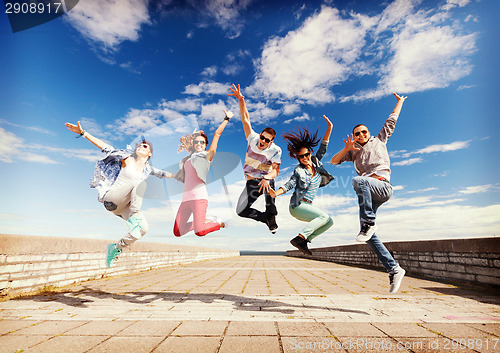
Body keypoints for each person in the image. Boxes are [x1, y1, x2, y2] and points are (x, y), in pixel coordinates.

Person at [65, 121, 175, 268]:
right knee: (141, 184)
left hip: (123, 207)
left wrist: (177, 176)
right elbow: (106, 147)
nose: (141, 146)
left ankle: (115, 248)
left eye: (145, 146)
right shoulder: (127, 159)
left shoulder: (148, 169)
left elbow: (162, 173)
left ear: (149, 153)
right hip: (111, 199)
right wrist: (83, 133)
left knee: (142, 230)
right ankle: (135, 217)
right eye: (140, 145)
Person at [330, 92, 408, 294]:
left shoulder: (379, 140)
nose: (361, 135)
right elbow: (333, 161)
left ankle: (368, 222)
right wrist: (346, 148)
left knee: (358, 180)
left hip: (382, 186)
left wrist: (399, 103)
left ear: (368, 133)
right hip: (369, 193)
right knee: (367, 237)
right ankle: (394, 269)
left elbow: (391, 121)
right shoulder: (353, 151)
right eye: (357, 134)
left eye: (364, 132)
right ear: (354, 137)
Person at [269, 115, 335, 255]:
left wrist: (329, 128)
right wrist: (276, 193)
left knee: (329, 222)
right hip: (297, 206)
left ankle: (305, 240)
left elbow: (323, 146)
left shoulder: (316, 162)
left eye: (306, 155)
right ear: (297, 158)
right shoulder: (299, 170)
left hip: (307, 206)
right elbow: (290, 184)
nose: (305, 158)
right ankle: (300, 238)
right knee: (323, 217)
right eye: (301, 156)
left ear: (310, 153)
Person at [228, 84, 282, 234]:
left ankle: (271, 217)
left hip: (264, 179)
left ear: (271, 141)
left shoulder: (275, 150)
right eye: (262, 137)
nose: (262, 141)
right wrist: (241, 100)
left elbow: (276, 171)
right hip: (251, 180)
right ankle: (264, 217)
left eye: (266, 140)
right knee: (240, 210)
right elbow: (245, 119)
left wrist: (267, 177)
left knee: (269, 187)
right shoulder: (253, 138)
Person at [173, 110, 232, 237]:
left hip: (199, 198)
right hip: (185, 199)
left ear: (205, 145)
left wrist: (226, 119)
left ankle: (219, 223)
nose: (199, 144)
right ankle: (204, 220)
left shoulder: (207, 156)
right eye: (196, 142)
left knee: (199, 231)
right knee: (178, 232)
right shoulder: (187, 159)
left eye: (202, 142)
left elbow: (217, 134)